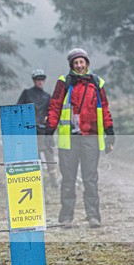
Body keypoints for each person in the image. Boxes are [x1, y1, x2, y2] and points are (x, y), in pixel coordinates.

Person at [46, 48, 115, 229]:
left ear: (87, 63)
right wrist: (49, 131)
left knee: (90, 178)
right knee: (68, 179)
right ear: (72, 65)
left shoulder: (97, 83)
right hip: (69, 139)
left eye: (81, 62)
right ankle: (66, 218)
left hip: (90, 137)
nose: (79, 65)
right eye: (75, 62)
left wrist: (110, 134)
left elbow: (105, 109)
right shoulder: (64, 82)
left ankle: (93, 217)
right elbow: (54, 107)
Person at [17, 69, 58, 188]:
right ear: (34, 81)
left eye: (42, 80)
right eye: (37, 80)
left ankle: (54, 181)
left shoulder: (47, 96)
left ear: (44, 81)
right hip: (30, 130)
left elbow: (51, 113)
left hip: (44, 130)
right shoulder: (27, 93)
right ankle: (36, 183)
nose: (40, 82)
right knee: (34, 156)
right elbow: (19, 107)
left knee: (49, 153)